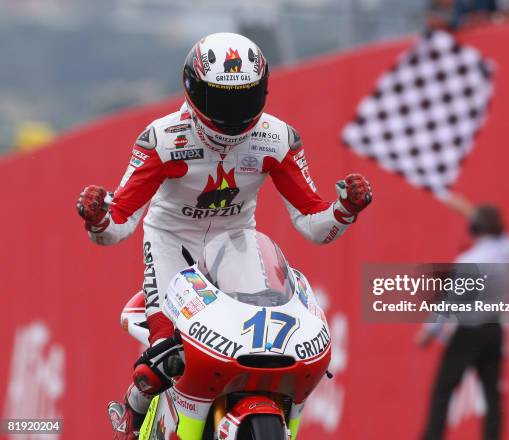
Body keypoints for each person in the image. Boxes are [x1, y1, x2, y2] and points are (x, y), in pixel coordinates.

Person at [76, 32, 372, 440]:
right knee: (167, 354)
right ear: (192, 88)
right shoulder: (162, 139)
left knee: (268, 341)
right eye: (222, 101)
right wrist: (97, 220)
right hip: (169, 243)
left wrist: (344, 211)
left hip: (236, 242)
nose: (234, 115)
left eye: (244, 99)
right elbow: (120, 221)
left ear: (263, 89)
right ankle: (132, 410)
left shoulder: (278, 138)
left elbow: (312, 222)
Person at [415, 192, 509, 440]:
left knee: (443, 391)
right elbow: (494, 229)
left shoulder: (470, 261)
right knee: (492, 395)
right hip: (494, 329)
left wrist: (428, 333)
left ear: (474, 229)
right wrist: (468, 209)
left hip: (469, 332)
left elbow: (449, 303)